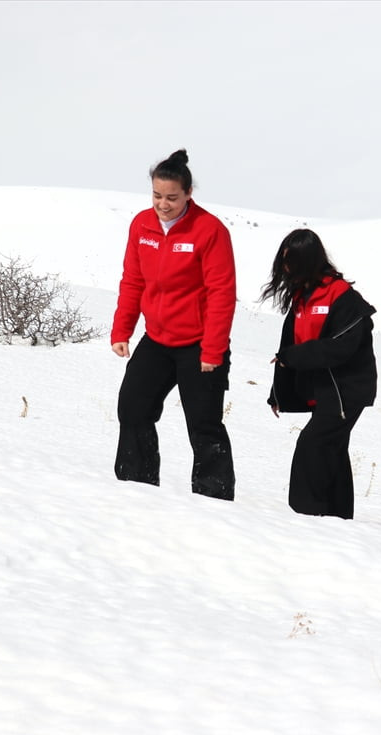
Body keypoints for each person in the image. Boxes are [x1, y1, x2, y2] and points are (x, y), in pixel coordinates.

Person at [110, 149, 236, 500]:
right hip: (158, 340)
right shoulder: (141, 224)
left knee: (204, 425)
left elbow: (222, 294)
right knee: (132, 408)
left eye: (171, 197)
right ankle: (137, 488)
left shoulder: (209, 230)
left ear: (188, 194)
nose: (162, 205)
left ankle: (214, 499)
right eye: (156, 195)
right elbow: (133, 280)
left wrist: (213, 350)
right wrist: (123, 330)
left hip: (199, 344)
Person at [263, 229, 377, 519]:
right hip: (326, 390)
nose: (286, 268)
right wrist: (278, 393)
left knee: (312, 445)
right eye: (284, 262)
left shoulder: (343, 297)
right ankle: (337, 519)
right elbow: (288, 346)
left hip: (346, 390)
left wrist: (293, 358)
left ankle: (306, 517)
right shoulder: (303, 297)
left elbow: (339, 349)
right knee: (333, 450)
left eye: (293, 262)